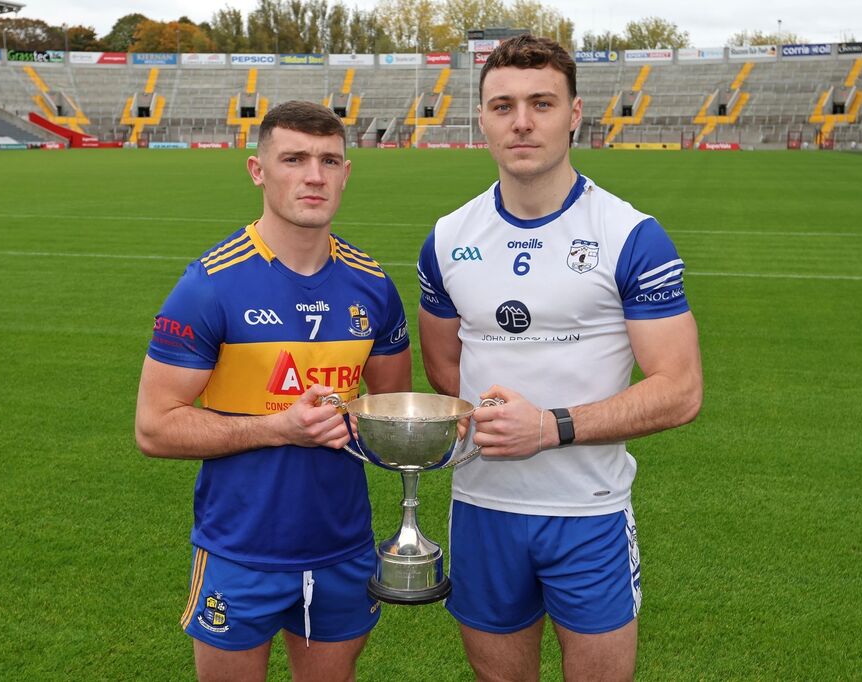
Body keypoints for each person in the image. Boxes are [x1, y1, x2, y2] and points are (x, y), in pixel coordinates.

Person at [417, 36, 703, 681]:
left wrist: (550, 427)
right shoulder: (447, 238)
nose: (521, 121)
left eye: (541, 103)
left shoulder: (630, 235)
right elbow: (445, 370)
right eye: (503, 106)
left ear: (574, 114)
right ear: (482, 118)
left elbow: (680, 389)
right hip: (482, 507)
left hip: (588, 511)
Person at [135, 100, 411, 682]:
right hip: (240, 550)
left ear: (345, 173)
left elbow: (392, 414)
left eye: (329, 161)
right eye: (294, 159)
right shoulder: (209, 285)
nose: (314, 176)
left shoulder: (373, 286)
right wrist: (278, 428)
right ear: (257, 171)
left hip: (342, 548)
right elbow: (155, 428)